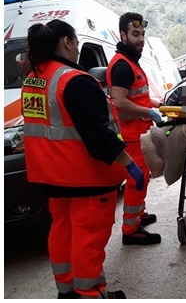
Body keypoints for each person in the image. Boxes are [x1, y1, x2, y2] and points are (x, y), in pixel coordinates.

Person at [22, 19, 144, 298]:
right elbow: (99, 137)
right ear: (66, 42)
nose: (77, 49)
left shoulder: (33, 79)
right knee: (89, 238)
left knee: (62, 233)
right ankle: (90, 293)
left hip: (52, 178)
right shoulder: (75, 81)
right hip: (86, 178)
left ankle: (67, 291)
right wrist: (130, 165)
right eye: (76, 43)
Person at [106, 12, 162, 245]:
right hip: (131, 135)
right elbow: (119, 101)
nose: (140, 39)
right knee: (136, 180)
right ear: (123, 35)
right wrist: (149, 112)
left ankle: (139, 214)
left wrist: (160, 104)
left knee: (143, 177)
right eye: (135, 34)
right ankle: (130, 230)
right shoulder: (122, 65)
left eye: (142, 34)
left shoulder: (130, 61)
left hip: (139, 133)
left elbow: (138, 98)